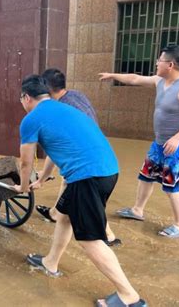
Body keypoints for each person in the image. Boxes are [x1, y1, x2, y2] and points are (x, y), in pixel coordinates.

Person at [14, 75, 146, 306]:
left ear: (26, 97)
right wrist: (42, 180)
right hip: (108, 170)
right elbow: (58, 150)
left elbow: (25, 163)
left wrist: (23, 187)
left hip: (87, 177)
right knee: (64, 216)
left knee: (89, 239)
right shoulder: (64, 108)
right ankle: (50, 262)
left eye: (21, 100)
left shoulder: (31, 119)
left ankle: (129, 296)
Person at [99, 45, 179, 238]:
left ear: (170, 64)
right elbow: (135, 78)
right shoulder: (160, 81)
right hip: (160, 143)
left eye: (160, 60)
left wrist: (176, 138)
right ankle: (137, 210)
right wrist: (113, 75)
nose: (156, 63)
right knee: (146, 176)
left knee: (172, 185)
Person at [34, 68, 120, 247]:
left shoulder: (60, 109)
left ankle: (108, 235)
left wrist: (42, 178)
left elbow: (55, 148)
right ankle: (56, 214)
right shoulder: (76, 95)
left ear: (47, 90)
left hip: (86, 161)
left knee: (86, 199)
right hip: (97, 151)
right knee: (69, 187)